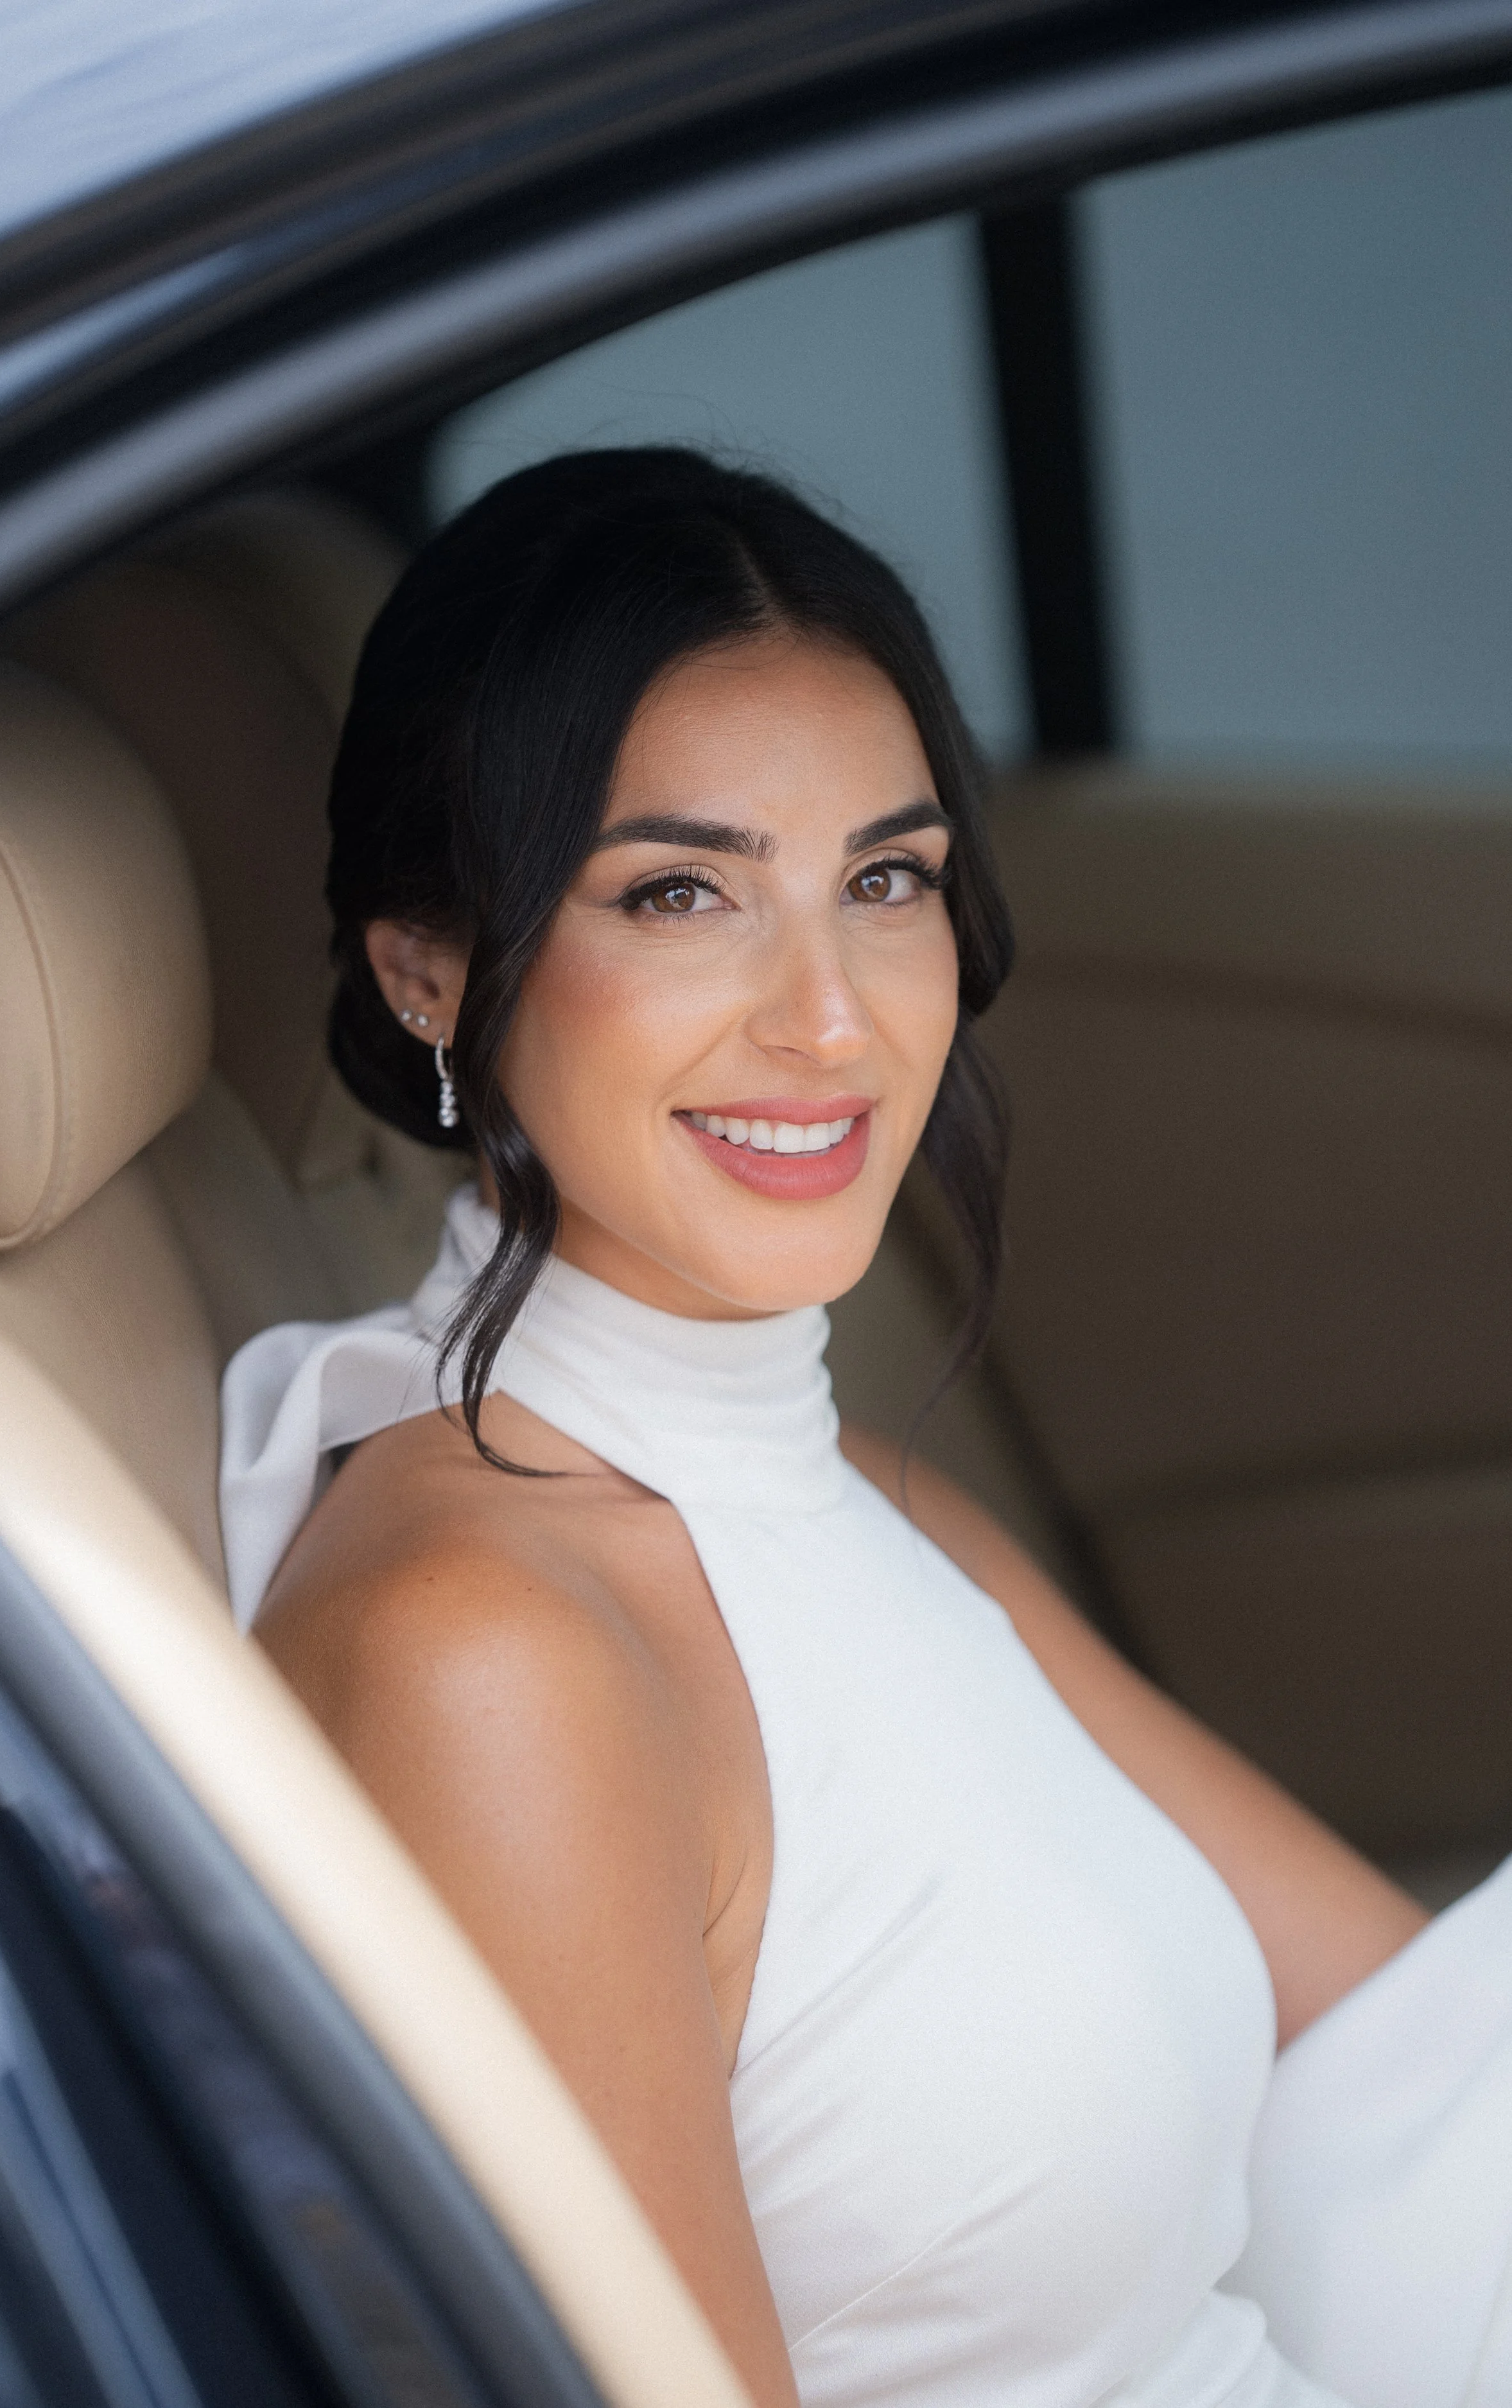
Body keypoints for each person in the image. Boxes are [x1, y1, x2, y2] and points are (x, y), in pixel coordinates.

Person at [220, 449, 1512, 2408]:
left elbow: (1406, 2060)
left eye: (884, 879)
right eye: (681, 891)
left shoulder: (836, 1484)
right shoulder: (488, 1659)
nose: (831, 1019)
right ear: (431, 968)